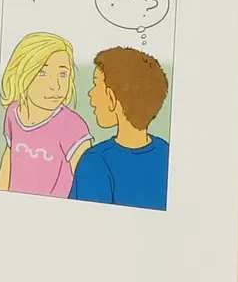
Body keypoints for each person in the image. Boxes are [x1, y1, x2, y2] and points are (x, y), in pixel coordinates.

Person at [71, 47, 172, 210]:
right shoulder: (167, 153)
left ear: (111, 98)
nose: (90, 93)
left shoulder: (95, 160)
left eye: (96, 84)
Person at [0, 31, 91, 197]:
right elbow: (7, 164)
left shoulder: (73, 127)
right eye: (42, 73)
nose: (55, 86)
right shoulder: (13, 112)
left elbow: (86, 184)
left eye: (63, 74)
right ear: (22, 75)